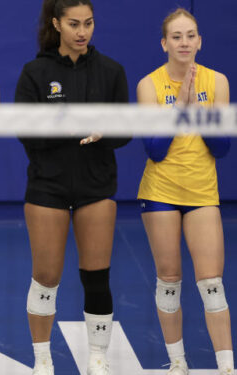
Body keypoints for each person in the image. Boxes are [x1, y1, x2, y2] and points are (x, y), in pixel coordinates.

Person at [13, 0, 130, 374]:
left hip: (96, 188)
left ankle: (97, 359)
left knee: (97, 277)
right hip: (48, 188)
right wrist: (66, 125)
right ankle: (42, 359)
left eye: (89, 23)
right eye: (75, 24)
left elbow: (125, 129)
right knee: (46, 277)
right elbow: (25, 131)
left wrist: (104, 131)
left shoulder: (111, 71)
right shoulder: (36, 72)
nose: (83, 32)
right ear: (57, 24)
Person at [136, 8, 233, 375]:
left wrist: (196, 111)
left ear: (200, 41)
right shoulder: (149, 85)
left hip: (202, 192)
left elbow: (221, 148)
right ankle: (178, 363)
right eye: (176, 36)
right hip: (160, 191)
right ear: (164, 44)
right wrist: (182, 105)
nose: (184, 42)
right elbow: (155, 149)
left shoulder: (218, 81)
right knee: (170, 280)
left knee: (212, 283)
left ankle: (227, 367)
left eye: (190, 35)